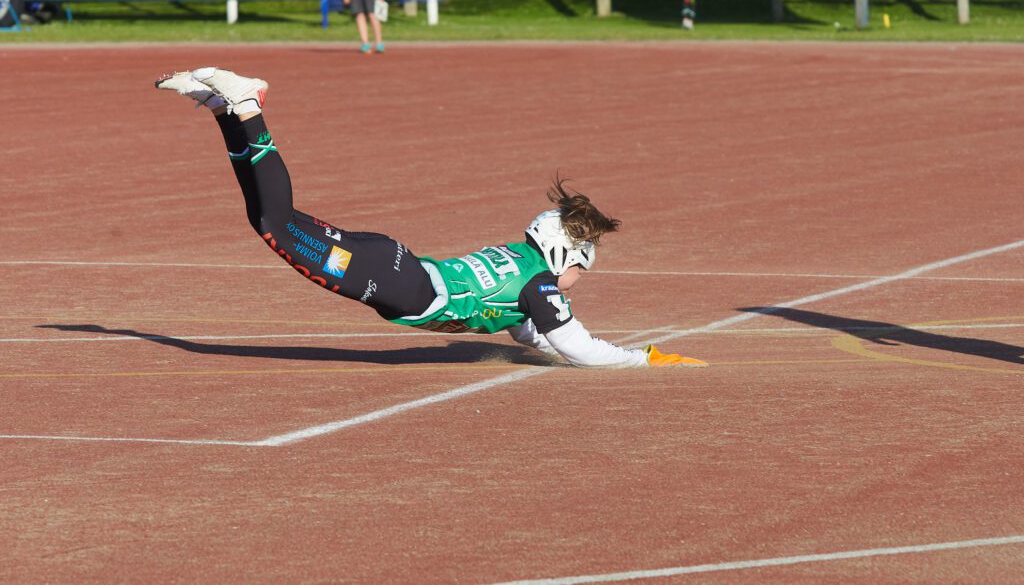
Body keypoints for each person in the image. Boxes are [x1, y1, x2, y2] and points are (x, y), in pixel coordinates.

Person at [154, 68, 709, 369]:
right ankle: (246, 104)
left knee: (271, 217)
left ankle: (227, 110)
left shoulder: (522, 273)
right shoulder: (540, 284)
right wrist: (645, 359)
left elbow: (533, 335)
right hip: (395, 278)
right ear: (566, 254)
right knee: (274, 223)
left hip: (394, 264)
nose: (576, 282)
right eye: (582, 269)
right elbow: (578, 348)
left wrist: (540, 343)